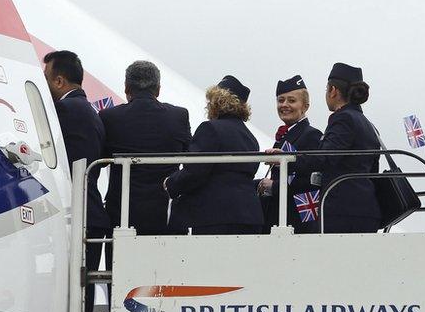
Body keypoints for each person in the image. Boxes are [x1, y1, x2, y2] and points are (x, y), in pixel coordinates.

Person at [43, 50, 112, 312]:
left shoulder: (65, 110)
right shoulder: (90, 111)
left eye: (47, 79)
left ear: (59, 80)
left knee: (72, 287)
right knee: (81, 285)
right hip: (93, 210)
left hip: (79, 211)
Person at [277, 62, 381, 233]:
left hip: (343, 209)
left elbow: (324, 157)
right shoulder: (368, 124)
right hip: (367, 208)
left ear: (333, 90)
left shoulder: (343, 119)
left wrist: (286, 160)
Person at [99, 60, 192, 234]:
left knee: (120, 262)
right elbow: (190, 156)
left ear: (127, 88)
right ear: (158, 89)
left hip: (122, 216)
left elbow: (101, 159)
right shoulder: (178, 116)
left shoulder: (109, 117)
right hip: (165, 214)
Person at [164, 75, 263, 235]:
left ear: (218, 101)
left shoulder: (210, 129)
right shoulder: (250, 137)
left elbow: (195, 171)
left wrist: (170, 184)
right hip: (250, 215)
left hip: (215, 215)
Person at [256, 75, 323, 233]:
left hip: (298, 219)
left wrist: (274, 186)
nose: (284, 105)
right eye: (281, 100)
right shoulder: (285, 137)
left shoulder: (311, 135)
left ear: (305, 106)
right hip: (280, 215)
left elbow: (313, 180)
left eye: (291, 101)